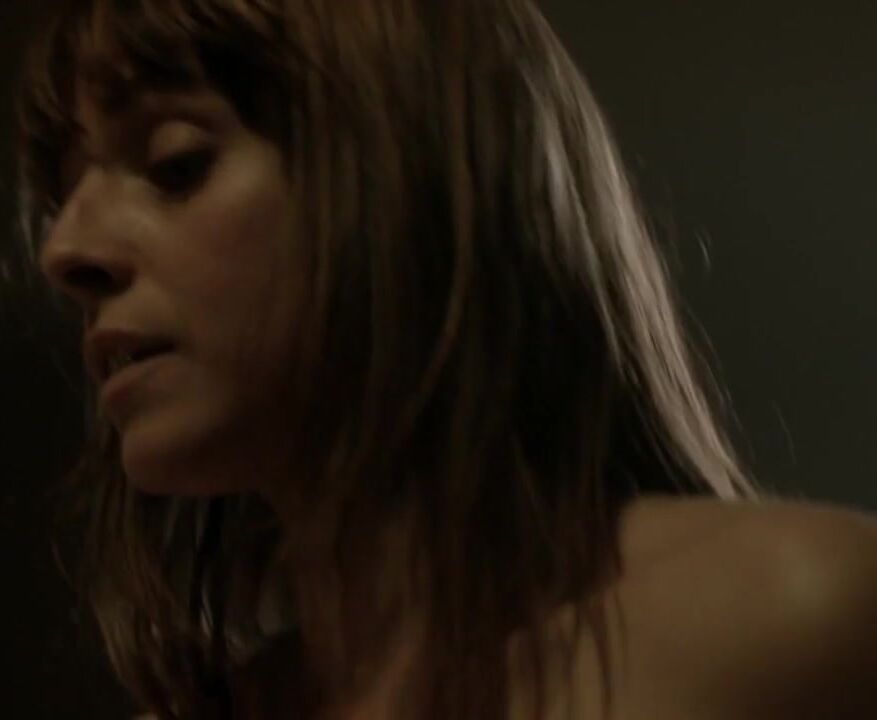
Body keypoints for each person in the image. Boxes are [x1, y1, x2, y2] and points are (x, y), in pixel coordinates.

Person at [14, 0, 877, 718]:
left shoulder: (796, 622)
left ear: (411, 171)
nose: (65, 252)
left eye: (176, 165)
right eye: (65, 194)